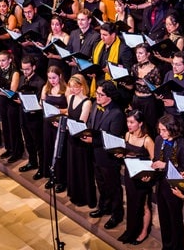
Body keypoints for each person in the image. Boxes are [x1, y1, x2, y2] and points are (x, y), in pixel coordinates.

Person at [82, 81, 126, 230]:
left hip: (108, 157)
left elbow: (112, 137)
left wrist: (92, 140)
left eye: (101, 94)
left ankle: (116, 214)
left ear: (110, 97)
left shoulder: (117, 114)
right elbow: (91, 124)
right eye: (97, 93)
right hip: (95, 154)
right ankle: (104, 207)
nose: (97, 96)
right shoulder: (95, 104)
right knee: (100, 183)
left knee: (113, 186)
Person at [152, 113, 184, 250]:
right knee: (163, 218)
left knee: (175, 219)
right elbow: (156, 159)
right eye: (160, 129)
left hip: (175, 188)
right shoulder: (158, 140)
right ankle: (166, 245)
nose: (161, 133)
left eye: (164, 130)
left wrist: (165, 166)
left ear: (173, 129)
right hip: (160, 184)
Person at [116, 110, 154, 245]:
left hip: (142, 177)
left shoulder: (147, 140)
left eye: (132, 122)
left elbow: (154, 162)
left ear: (140, 123)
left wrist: (148, 176)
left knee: (143, 205)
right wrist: (122, 155)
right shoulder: (127, 135)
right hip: (129, 174)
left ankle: (143, 231)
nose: (128, 125)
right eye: (127, 122)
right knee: (132, 203)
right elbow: (127, 154)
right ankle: (131, 230)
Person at [66, 74, 96, 208]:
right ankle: (75, 194)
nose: (72, 90)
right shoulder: (70, 97)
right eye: (71, 87)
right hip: (71, 137)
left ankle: (85, 197)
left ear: (82, 86)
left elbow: (82, 121)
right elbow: (68, 113)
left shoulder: (87, 102)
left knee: (82, 168)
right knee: (73, 166)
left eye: (75, 87)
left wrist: (67, 125)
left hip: (81, 139)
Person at [0, 50, 23, 163]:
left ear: (9, 60)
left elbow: (12, 92)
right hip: (2, 101)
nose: (1, 63)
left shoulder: (15, 72)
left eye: (3, 60)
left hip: (12, 103)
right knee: (5, 125)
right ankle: (9, 148)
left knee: (13, 127)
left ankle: (17, 151)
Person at [90, 22, 135, 101]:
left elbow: (129, 72)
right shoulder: (98, 45)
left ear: (113, 35)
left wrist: (112, 71)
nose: (102, 37)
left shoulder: (124, 49)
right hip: (99, 86)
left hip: (115, 90)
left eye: (105, 35)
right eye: (101, 34)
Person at [41, 65, 68, 193]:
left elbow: (70, 109)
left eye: (54, 78)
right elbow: (42, 104)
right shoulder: (46, 88)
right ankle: (52, 177)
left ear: (60, 76)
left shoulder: (66, 89)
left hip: (60, 123)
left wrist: (58, 110)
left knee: (59, 152)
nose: (52, 81)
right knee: (49, 148)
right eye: (50, 78)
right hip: (48, 123)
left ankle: (62, 179)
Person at [17, 56, 45, 176]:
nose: (25, 72)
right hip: (23, 115)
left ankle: (42, 168)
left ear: (34, 67)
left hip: (35, 118)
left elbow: (40, 103)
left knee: (38, 144)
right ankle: (32, 162)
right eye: (23, 69)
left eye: (27, 69)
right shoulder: (22, 78)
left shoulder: (40, 82)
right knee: (28, 141)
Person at [129, 43, 162, 136]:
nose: (138, 55)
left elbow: (158, 88)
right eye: (137, 53)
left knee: (149, 126)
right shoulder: (134, 67)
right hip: (136, 99)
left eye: (141, 53)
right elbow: (131, 86)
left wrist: (148, 84)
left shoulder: (155, 70)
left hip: (148, 101)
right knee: (134, 124)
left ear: (148, 54)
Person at [19, 0, 49, 80]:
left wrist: (31, 43)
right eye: (25, 12)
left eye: (29, 12)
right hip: (25, 55)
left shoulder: (42, 23)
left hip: (37, 58)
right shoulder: (25, 22)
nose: (27, 15)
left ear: (35, 10)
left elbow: (45, 42)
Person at [66, 9, 100, 75]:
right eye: (78, 19)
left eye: (82, 20)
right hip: (74, 73)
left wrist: (78, 64)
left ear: (89, 20)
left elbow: (94, 58)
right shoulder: (73, 33)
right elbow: (68, 50)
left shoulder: (96, 36)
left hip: (86, 74)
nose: (80, 22)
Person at [44, 15, 70, 80]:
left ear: (62, 25)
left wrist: (53, 56)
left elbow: (66, 56)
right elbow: (46, 49)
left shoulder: (66, 37)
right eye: (52, 24)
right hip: (51, 63)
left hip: (61, 65)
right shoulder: (50, 35)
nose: (54, 27)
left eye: (57, 25)